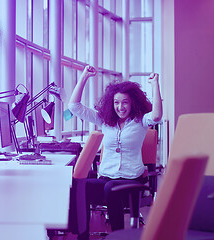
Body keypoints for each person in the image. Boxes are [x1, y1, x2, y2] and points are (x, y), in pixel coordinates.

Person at [68, 65, 162, 240]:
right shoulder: (105, 121)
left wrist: (155, 84)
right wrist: (84, 77)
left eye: (125, 102)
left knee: (111, 188)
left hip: (132, 177)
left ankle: (118, 235)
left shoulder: (140, 120)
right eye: (116, 102)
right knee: (80, 186)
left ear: (132, 102)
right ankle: (82, 235)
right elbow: (74, 107)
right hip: (107, 176)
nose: (120, 107)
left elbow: (156, 116)